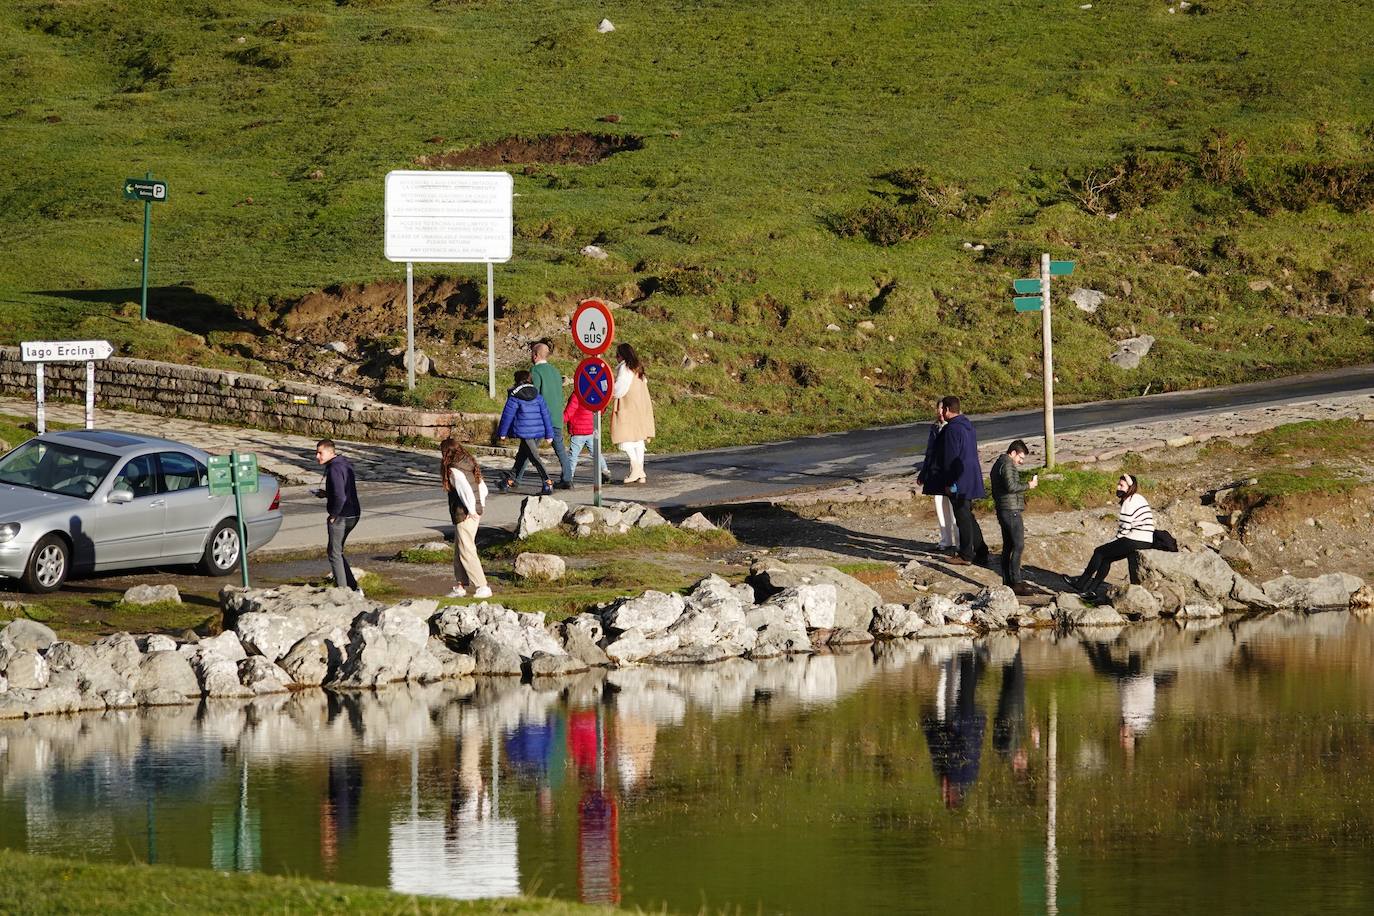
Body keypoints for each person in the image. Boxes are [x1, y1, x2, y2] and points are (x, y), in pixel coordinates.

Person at [1067, 473, 1155, 599]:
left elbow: (1125, 529)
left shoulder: (1129, 502)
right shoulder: (1138, 498)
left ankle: (1080, 583)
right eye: (1118, 484)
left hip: (1135, 538)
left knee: (1099, 552)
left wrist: (1112, 541)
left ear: (1130, 487)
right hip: (1146, 540)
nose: (1118, 487)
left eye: (1121, 485)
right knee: (1107, 558)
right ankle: (1091, 591)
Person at [924, 396, 988, 566]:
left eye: (941, 409)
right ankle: (981, 551)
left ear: (945, 409)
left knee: (962, 518)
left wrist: (949, 483)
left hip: (958, 481)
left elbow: (950, 459)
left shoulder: (952, 429)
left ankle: (966, 554)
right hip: (970, 478)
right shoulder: (967, 425)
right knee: (968, 516)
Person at [440, 437, 491, 599]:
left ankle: (482, 586)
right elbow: (483, 487)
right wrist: (480, 507)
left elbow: (464, 491)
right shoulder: (469, 462)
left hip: (465, 514)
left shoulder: (454, 469)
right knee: (460, 550)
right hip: (472, 512)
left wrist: (472, 510)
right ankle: (460, 585)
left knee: (467, 550)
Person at [496, 369, 556, 496]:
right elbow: (546, 415)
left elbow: (507, 415)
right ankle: (508, 481)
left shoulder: (514, 397)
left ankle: (547, 482)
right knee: (522, 456)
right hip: (539, 433)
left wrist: (502, 432)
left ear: (517, 381)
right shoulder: (538, 395)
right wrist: (549, 434)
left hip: (525, 432)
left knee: (535, 458)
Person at [990, 440, 1039, 596]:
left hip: (1004, 509)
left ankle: (1008, 580)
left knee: (1008, 546)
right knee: (1018, 546)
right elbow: (1011, 487)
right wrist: (1028, 485)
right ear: (1012, 453)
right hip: (1011, 510)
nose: (1021, 461)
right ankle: (1016, 582)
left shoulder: (999, 463)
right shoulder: (1008, 464)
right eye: (1021, 457)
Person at [314, 439, 362, 595]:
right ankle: (353, 588)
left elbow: (341, 496)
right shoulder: (344, 464)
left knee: (334, 554)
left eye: (320, 452)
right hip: (354, 514)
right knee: (337, 551)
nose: (317, 456)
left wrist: (334, 515)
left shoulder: (334, 468)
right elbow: (343, 491)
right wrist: (326, 494)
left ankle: (343, 593)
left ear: (330, 452)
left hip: (342, 515)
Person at [525, 340, 574, 490]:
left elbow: (534, 395)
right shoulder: (555, 371)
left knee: (529, 450)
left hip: (541, 420)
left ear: (535, 355)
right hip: (556, 418)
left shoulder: (535, 372)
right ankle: (567, 479)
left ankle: (515, 479)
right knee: (560, 450)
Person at [610, 343, 655, 485]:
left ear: (622, 355)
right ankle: (640, 473)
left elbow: (620, 389)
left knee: (625, 438)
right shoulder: (638, 368)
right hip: (641, 406)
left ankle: (636, 469)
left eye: (617, 354)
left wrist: (609, 391)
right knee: (638, 439)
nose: (616, 357)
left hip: (628, 406)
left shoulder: (625, 368)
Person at [916, 403, 958, 555]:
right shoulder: (934, 427)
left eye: (942, 408)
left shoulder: (954, 427)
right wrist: (923, 472)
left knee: (955, 509)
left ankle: (960, 543)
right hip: (936, 473)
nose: (939, 412)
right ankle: (946, 541)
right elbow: (929, 452)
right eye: (938, 408)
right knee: (940, 507)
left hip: (951, 473)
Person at [563, 394, 612, 486]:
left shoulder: (576, 396)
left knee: (573, 455)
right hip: (591, 428)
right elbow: (601, 408)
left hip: (578, 430)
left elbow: (569, 412)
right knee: (596, 453)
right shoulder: (592, 393)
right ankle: (605, 470)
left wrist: (560, 420)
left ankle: (569, 478)